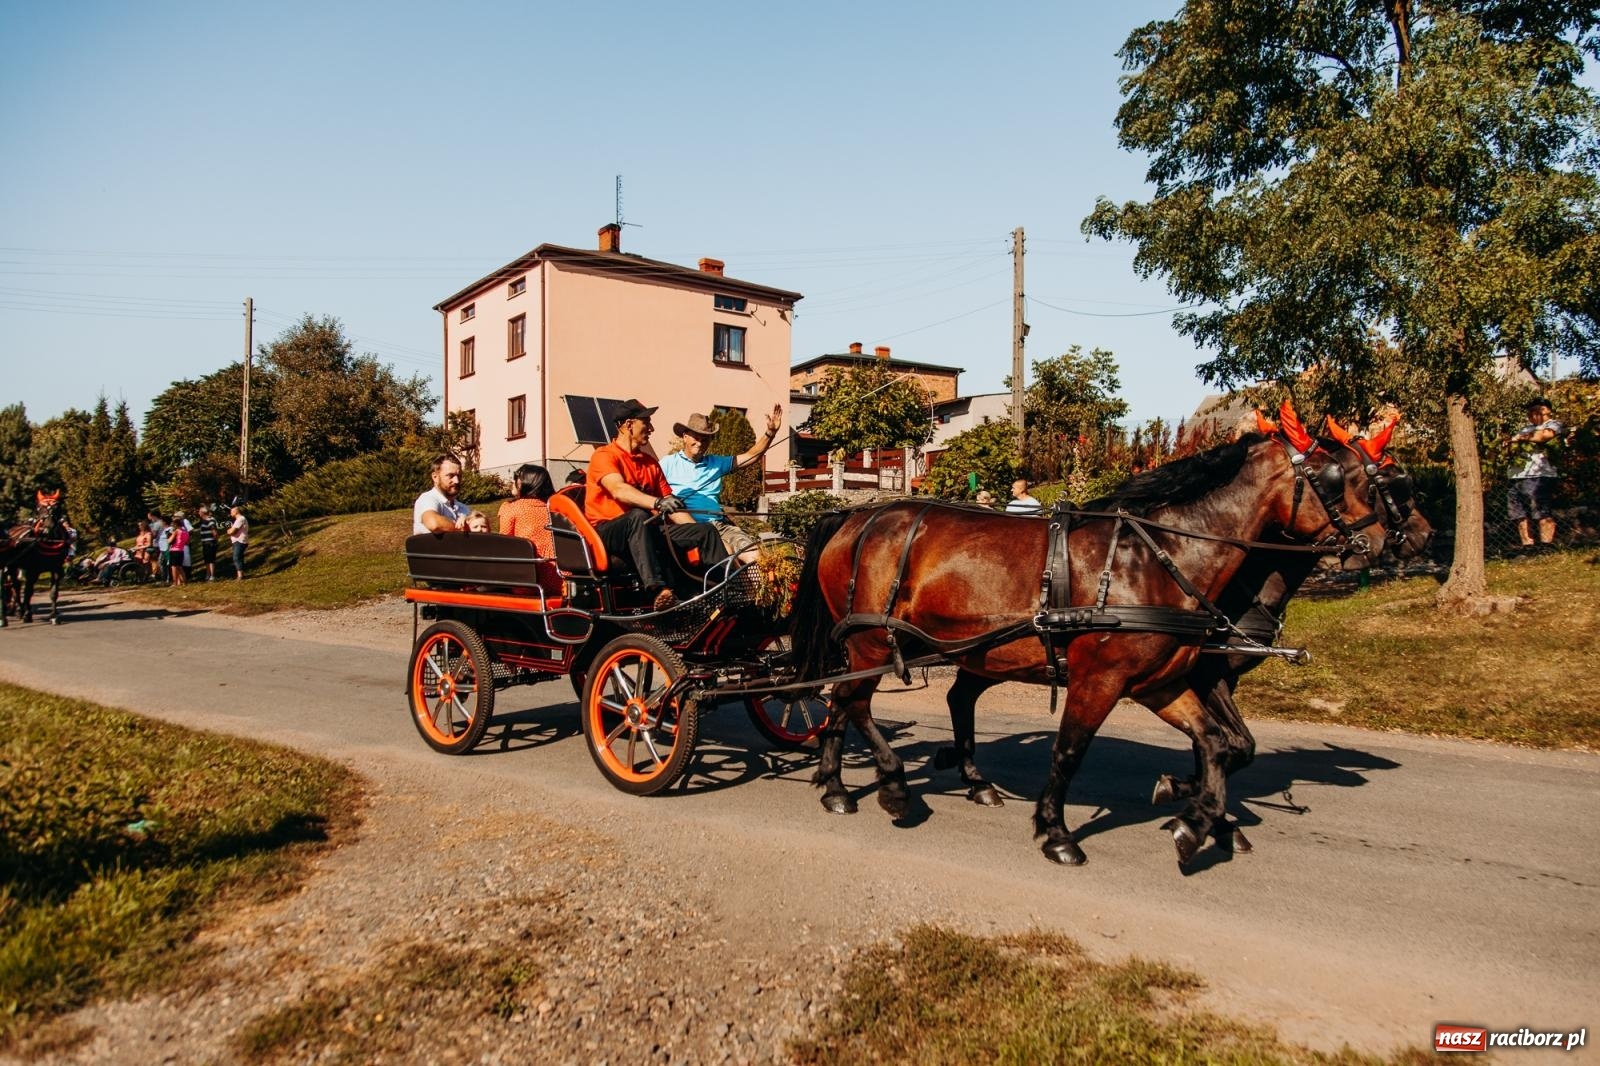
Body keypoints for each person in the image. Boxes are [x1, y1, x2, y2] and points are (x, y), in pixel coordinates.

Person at [585, 398, 728, 611]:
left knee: (705, 531)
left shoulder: (650, 463)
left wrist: (692, 529)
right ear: (628, 425)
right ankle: (658, 590)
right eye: (646, 422)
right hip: (606, 532)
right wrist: (657, 502)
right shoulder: (604, 456)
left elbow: (673, 507)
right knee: (638, 517)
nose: (651, 428)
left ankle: (725, 591)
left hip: (642, 529)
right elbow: (619, 489)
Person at [659, 405, 782, 562]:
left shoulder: (716, 462)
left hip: (720, 525)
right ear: (685, 436)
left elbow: (751, 456)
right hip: (691, 529)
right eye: (696, 438)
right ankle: (734, 587)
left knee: (755, 555)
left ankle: (758, 586)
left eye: (705, 439)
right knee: (727, 552)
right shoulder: (667, 463)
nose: (700, 443)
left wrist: (770, 433)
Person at [1508, 396, 1567, 552]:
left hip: (1539, 475)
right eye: (1529, 411)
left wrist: (1519, 439)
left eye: (1535, 410)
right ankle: (1528, 546)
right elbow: (1510, 445)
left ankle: (1546, 546)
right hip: (1517, 475)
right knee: (1519, 513)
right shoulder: (1525, 428)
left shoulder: (1553, 425)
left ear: (1546, 410)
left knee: (1540, 510)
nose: (1531, 414)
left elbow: (1544, 436)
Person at [499, 463, 556, 557]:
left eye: (516, 478)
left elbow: (504, 544)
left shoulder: (511, 508)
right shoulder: (554, 508)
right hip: (560, 568)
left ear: (528, 482)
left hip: (529, 567)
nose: (513, 482)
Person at [413, 454, 472, 534]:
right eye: (450, 476)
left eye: (459, 476)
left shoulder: (464, 509)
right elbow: (433, 523)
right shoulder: (427, 498)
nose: (456, 481)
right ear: (435, 477)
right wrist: (463, 529)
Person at [194, 506, 220, 581]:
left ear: (203, 513)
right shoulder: (203, 521)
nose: (198, 513)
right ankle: (208, 574)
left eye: (199, 512)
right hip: (205, 542)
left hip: (210, 542)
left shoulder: (210, 520)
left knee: (211, 559)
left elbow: (214, 531)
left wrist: (215, 541)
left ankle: (212, 575)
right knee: (207, 559)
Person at [227, 505, 249, 580]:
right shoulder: (238, 520)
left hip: (240, 541)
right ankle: (241, 574)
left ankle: (240, 575)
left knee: (236, 557)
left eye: (231, 511)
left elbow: (233, 531)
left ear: (236, 511)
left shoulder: (240, 519)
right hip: (237, 541)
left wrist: (229, 531)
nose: (230, 513)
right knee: (239, 557)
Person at [168, 519, 190, 585]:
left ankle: (175, 582)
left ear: (176, 524)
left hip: (174, 550)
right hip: (181, 550)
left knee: (174, 567)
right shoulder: (185, 532)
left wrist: (169, 535)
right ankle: (184, 581)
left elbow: (169, 541)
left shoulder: (176, 531)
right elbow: (187, 542)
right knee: (180, 567)